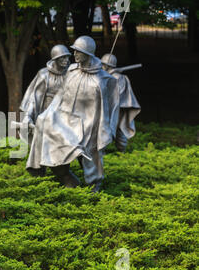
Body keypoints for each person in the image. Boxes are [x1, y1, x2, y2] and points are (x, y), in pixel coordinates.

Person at [27, 36, 120, 192]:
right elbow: (60, 96)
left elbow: (113, 106)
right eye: (74, 50)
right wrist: (46, 115)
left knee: (90, 157)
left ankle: (94, 190)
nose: (74, 54)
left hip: (89, 126)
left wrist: (109, 130)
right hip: (67, 121)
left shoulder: (105, 80)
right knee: (49, 137)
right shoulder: (71, 71)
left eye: (79, 51)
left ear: (88, 53)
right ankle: (65, 177)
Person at [20, 44, 71, 150]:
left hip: (67, 116)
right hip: (47, 116)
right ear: (55, 59)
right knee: (44, 151)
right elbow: (35, 98)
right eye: (62, 57)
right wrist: (28, 116)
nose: (66, 60)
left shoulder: (71, 74)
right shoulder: (44, 75)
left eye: (67, 57)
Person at [101, 53, 141, 152]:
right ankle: (101, 151)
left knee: (120, 129)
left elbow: (116, 94)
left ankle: (121, 153)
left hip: (118, 110)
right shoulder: (104, 76)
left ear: (107, 66)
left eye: (103, 65)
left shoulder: (119, 78)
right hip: (107, 109)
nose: (101, 66)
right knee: (103, 129)